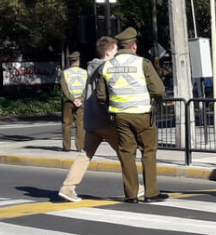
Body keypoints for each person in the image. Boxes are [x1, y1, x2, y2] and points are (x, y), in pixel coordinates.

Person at [95, 27, 169, 203]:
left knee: (127, 153)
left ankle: (131, 194)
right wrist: (152, 98)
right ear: (134, 46)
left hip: (120, 116)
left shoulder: (106, 66)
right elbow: (159, 90)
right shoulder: (142, 63)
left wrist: (115, 102)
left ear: (119, 46)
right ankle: (150, 192)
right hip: (142, 114)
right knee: (148, 151)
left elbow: (101, 96)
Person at [57, 36, 119, 202]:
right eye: (115, 49)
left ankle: (67, 187)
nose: (117, 52)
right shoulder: (107, 68)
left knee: (84, 154)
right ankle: (136, 187)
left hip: (90, 118)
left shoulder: (90, 67)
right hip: (105, 118)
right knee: (125, 152)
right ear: (109, 51)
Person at [60, 51, 86, 151]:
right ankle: (80, 147)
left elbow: (64, 88)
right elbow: (86, 88)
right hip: (81, 102)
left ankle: (67, 147)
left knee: (67, 124)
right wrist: (81, 99)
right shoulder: (84, 73)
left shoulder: (65, 73)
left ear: (70, 62)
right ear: (78, 61)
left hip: (69, 102)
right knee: (80, 124)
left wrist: (72, 99)